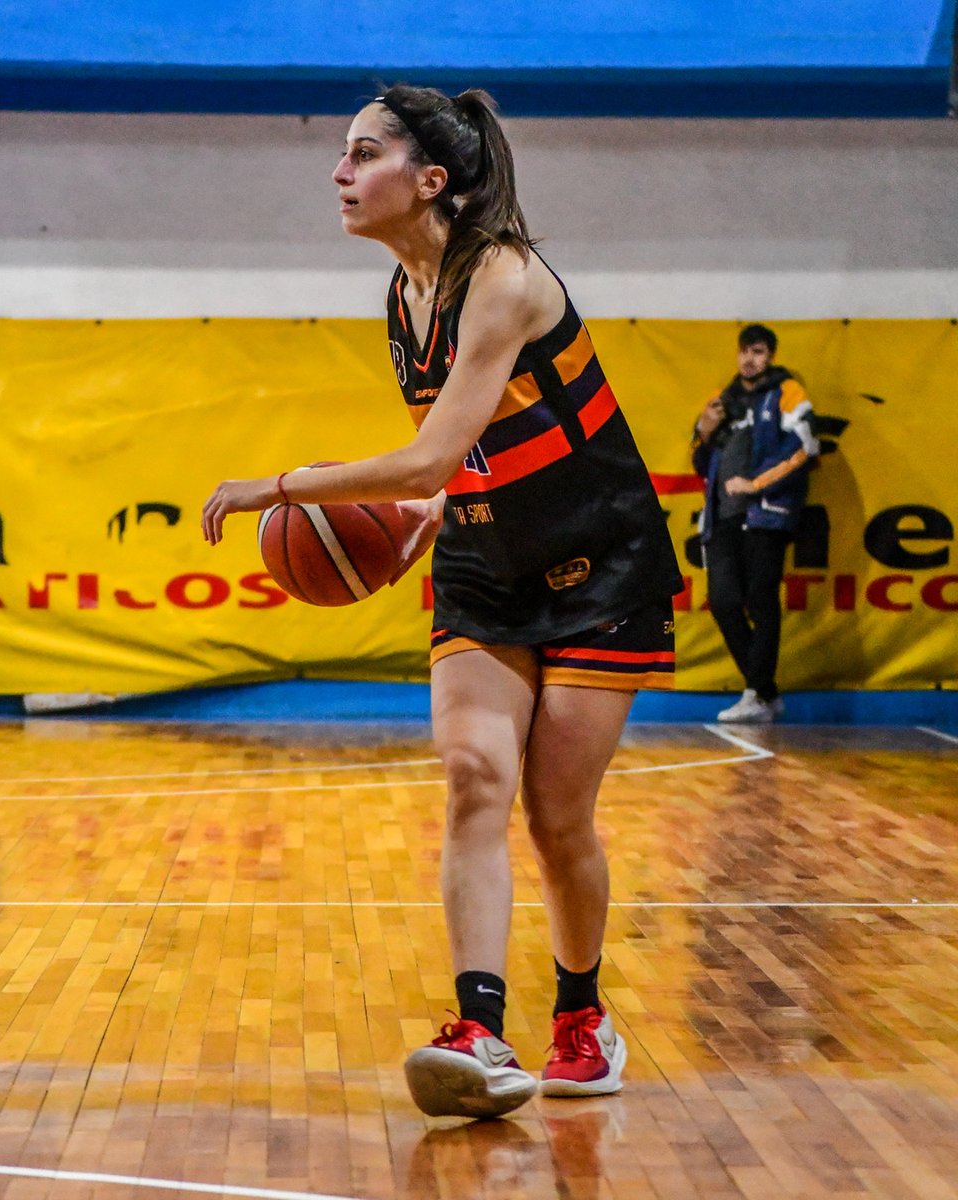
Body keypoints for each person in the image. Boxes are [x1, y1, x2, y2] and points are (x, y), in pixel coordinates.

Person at [202, 84, 683, 1119]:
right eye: (342, 152)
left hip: (600, 563)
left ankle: (583, 1017)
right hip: (481, 561)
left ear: (429, 180)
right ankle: (480, 1032)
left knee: (557, 817)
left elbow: (427, 452)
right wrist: (435, 506)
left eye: (362, 153)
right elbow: (461, 454)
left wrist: (279, 487)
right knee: (472, 778)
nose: (339, 171)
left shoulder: (502, 277)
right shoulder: (403, 295)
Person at [691, 324, 818, 724]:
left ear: (771, 356)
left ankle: (756, 694)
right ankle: (765, 691)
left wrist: (756, 483)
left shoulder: (787, 392)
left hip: (766, 514)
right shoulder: (723, 398)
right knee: (723, 602)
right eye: (744, 351)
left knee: (762, 601)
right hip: (722, 517)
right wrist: (703, 432)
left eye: (758, 351)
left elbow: (806, 447)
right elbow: (701, 464)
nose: (749, 359)